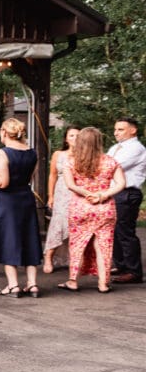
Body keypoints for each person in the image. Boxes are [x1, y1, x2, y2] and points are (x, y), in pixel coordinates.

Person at [0, 118, 43, 297]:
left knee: (8, 241)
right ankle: (32, 284)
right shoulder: (33, 153)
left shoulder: (2, 153)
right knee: (28, 239)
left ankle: (13, 285)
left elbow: (2, 182)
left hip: (6, 202)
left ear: (4, 132)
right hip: (25, 199)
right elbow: (30, 178)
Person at [57, 127, 125, 294]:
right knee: (103, 246)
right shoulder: (110, 161)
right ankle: (103, 283)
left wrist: (87, 193)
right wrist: (102, 195)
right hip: (105, 209)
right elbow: (121, 183)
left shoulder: (71, 162)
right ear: (98, 142)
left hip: (80, 208)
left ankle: (73, 281)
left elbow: (70, 185)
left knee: (77, 244)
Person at [107, 117, 145, 284]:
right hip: (114, 192)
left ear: (133, 130)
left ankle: (134, 271)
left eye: (120, 129)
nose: (116, 133)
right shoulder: (115, 147)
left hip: (127, 193)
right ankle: (121, 265)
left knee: (125, 232)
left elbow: (112, 166)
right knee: (114, 230)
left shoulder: (136, 148)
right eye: (115, 129)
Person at [43, 126, 80, 273]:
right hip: (61, 192)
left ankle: (75, 259)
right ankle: (48, 257)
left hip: (78, 193)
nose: (75, 138)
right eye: (71, 135)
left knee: (76, 226)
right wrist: (50, 196)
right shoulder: (58, 154)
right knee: (58, 225)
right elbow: (52, 175)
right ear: (66, 139)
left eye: (78, 135)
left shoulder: (85, 155)